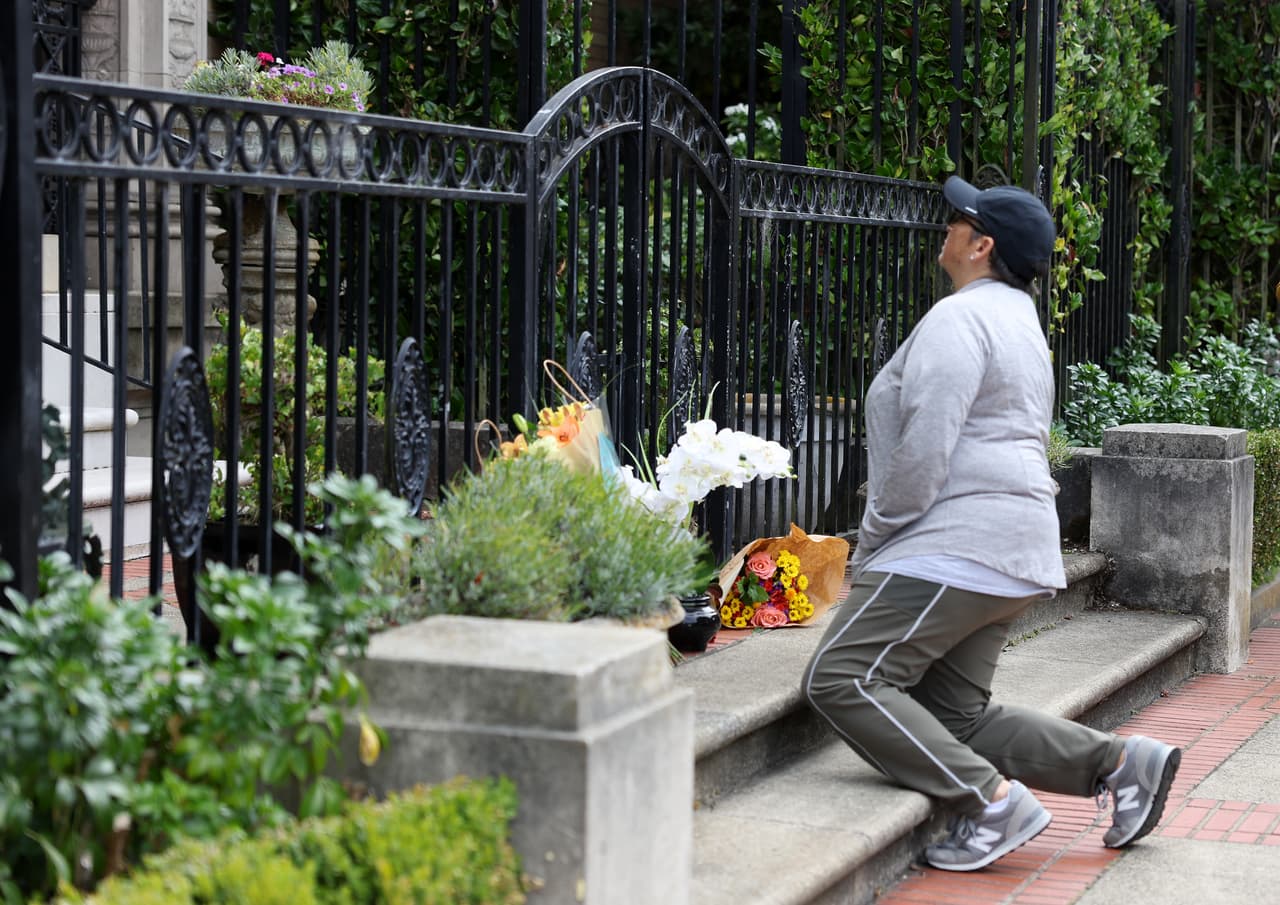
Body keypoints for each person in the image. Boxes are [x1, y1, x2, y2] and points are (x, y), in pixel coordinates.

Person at [803, 175, 1181, 872]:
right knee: (956, 717)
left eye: (958, 221)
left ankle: (990, 800)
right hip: (1011, 550)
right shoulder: (1019, 322)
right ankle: (1124, 762)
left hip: (951, 547)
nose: (945, 229)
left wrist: (875, 544)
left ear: (980, 246)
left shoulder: (959, 318)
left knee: (841, 678)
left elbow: (923, 452)